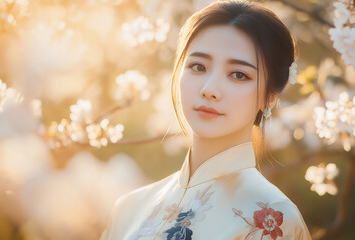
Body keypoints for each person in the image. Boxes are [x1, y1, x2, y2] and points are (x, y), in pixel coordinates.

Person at [100, 0, 312, 239]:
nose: (210, 89)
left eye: (239, 74)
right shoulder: (129, 209)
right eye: (198, 67)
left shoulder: (273, 221)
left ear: (270, 96)